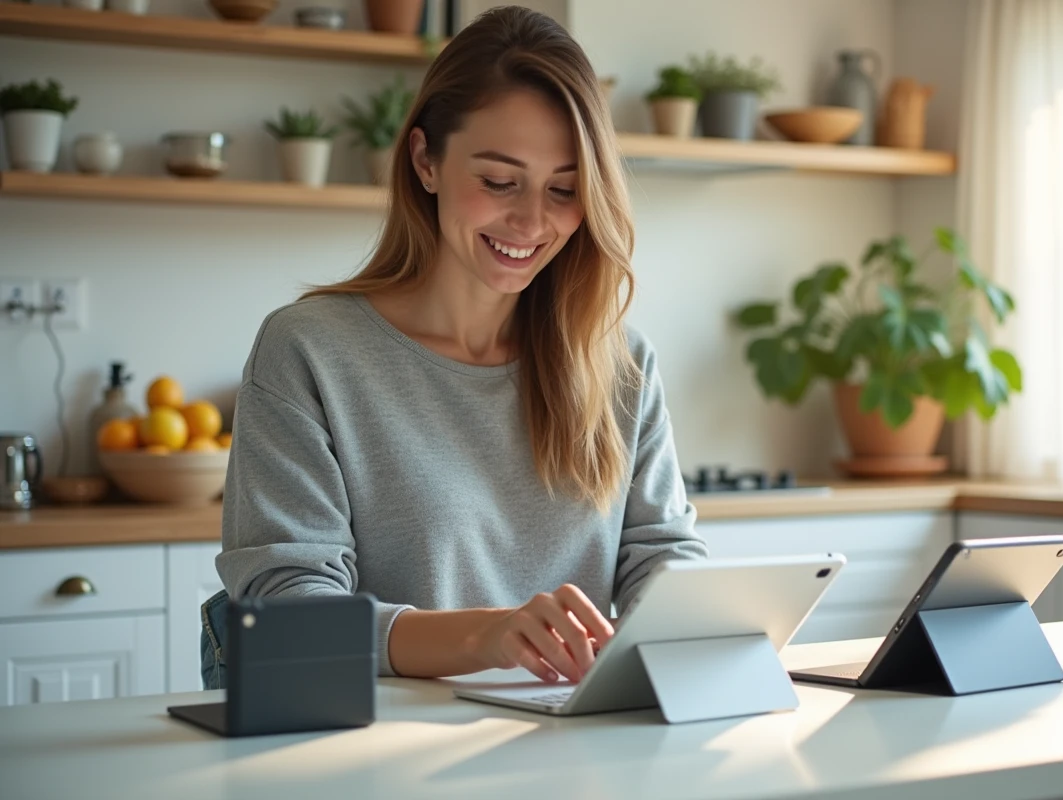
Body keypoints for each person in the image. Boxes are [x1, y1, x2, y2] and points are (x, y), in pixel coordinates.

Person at [204, 5, 707, 689]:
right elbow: (286, 610)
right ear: (426, 161)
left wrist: (696, 620)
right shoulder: (310, 351)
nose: (532, 221)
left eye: (564, 189)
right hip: (374, 748)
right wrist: (490, 635)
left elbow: (660, 558)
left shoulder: (619, 363)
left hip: (570, 746)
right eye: (499, 181)